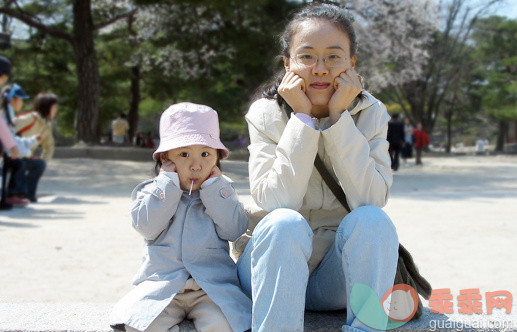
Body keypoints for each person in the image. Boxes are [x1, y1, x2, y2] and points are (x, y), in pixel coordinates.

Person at [234, 4, 399, 331]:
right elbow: (274, 201)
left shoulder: (371, 114)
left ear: (352, 64)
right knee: (283, 221)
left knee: (373, 219)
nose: (320, 69)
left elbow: (371, 197)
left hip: (335, 280)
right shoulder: (266, 114)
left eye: (334, 57)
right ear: (287, 64)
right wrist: (303, 120)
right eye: (307, 56)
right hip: (270, 268)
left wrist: (340, 120)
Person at [110, 103, 252, 332]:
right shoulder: (152, 191)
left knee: (226, 325)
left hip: (211, 288)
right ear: (166, 158)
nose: (196, 165)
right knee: (140, 325)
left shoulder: (221, 192)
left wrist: (215, 189)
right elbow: (146, 228)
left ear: (217, 158)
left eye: (205, 154)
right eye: (184, 154)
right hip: (162, 286)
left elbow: (234, 229)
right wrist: (166, 183)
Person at [12, 92, 58, 202]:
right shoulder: (30, 118)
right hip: (12, 155)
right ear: (46, 107)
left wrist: (43, 160)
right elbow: (7, 129)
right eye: (54, 107)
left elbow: (49, 146)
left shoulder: (46, 125)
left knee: (39, 164)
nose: (56, 110)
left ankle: (28, 194)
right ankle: (16, 194)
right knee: (20, 163)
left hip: (25, 155)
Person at [1, 84, 41, 207]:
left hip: (7, 151)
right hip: (5, 153)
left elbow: (13, 139)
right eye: (21, 99)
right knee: (19, 162)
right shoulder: (4, 115)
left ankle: (24, 194)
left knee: (38, 163)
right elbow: (10, 142)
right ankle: (12, 195)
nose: (22, 103)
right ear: (13, 99)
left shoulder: (9, 113)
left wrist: (32, 140)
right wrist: (27, 153)